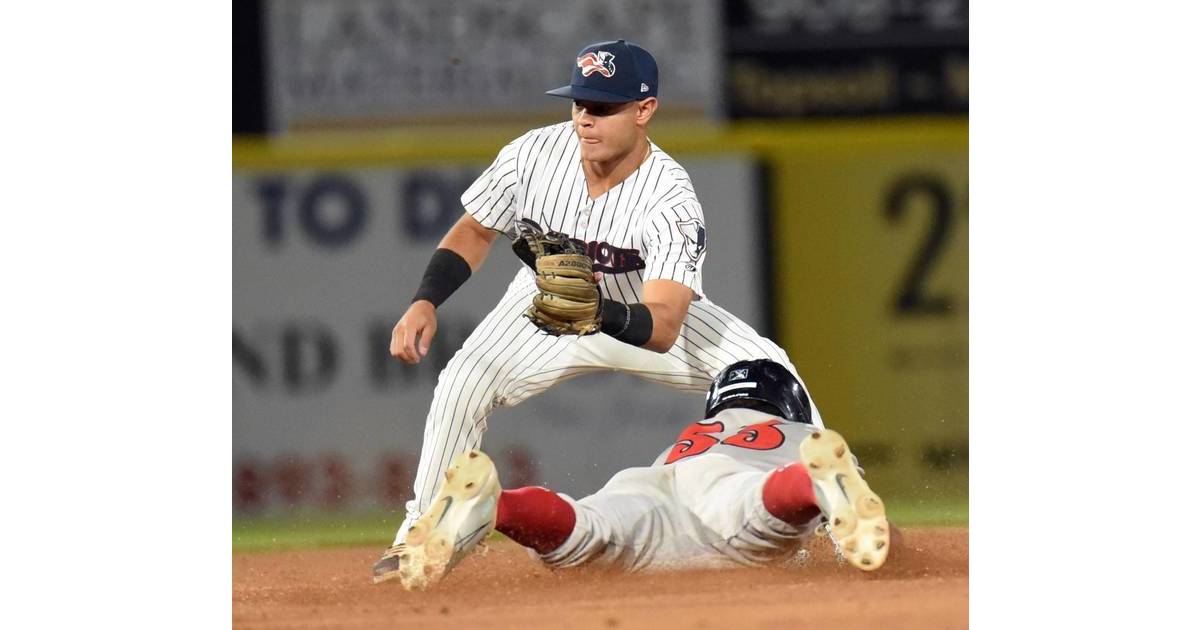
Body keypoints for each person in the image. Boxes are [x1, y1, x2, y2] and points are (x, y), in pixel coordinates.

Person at [372, 39, 823, 582]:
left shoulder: (670, 198)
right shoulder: (533, 154)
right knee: (464, 381)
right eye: (580, 103)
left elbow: (664, 325)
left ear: (644, 111)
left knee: (771, 368)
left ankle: (828, 517)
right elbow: (474, 228)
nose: (586, 118)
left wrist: (599, 312)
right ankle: (423, 535)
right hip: (543, 306)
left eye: (603, 107)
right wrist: (425, 299)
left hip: (639, 309)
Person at [382, 360, 891, 590]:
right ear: (792, 407)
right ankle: (811, 481)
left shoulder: (700, 430)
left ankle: (498, 506)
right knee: (764, 512)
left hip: (651, 482)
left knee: (585, 530)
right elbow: (849, 532)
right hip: (730, 491)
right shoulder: (798, 434)